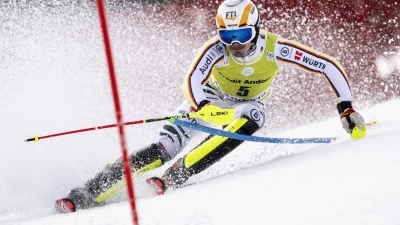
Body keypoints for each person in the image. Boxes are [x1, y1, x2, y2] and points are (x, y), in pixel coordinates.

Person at [55, 0, 366, 213]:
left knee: (253, 116)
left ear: (255, 28)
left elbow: (328, 66)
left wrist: (346, 108)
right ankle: (87, 192)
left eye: (241, 35)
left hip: (247, 105)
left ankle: (178, 174)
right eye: (227, 35)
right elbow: (192, 79)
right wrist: (202, 105)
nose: (234, 43)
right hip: (206, 101)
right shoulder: (216, 49)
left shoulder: (275, 48)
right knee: (163, 146)